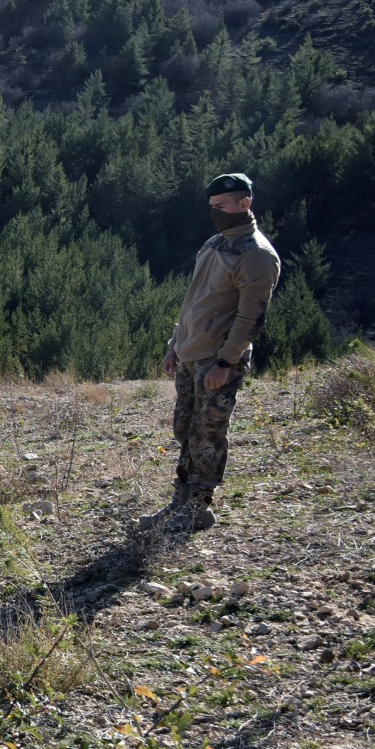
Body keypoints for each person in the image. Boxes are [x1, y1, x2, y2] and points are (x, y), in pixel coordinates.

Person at [143, 173, 281, 532]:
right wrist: (175, 345)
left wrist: (225, 362)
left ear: (244, 203)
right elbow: (195, 301)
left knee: (207, 435)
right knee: (185, 430)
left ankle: (199, 510)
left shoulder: (256, 255)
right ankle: (179, 504)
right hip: (190, 355)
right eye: (212, 208)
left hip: (217, 360)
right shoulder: (215, 244)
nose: (216, 214)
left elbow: (251, 317)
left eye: (222, 207)